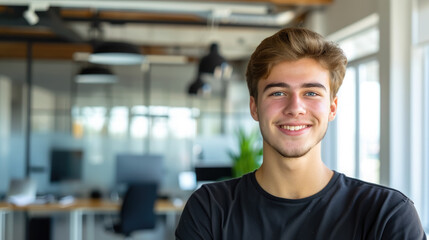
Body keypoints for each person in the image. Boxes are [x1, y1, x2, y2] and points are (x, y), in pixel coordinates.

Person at [175, 27, 427, 239]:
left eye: (311, 93)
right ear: (254, 107)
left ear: (332, 107)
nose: (295, 108)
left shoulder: (386, 215)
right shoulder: (210, 209)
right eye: (277, 93)